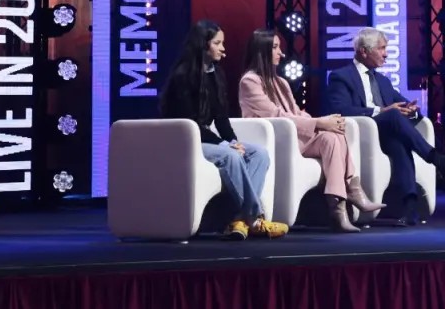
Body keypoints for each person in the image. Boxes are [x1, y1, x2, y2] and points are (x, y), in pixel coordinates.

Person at [238, 30, 385, 233]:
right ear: (261, 51)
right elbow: (275, 114)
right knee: (330, 133)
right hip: (278, 138)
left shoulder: (280, 82)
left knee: (334, 134)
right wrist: (318, 123)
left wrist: (324, 121)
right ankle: (351, 189)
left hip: (295, 135)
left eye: (280, 47)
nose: (281, 53)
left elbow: (296, 112)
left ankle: (338, 206)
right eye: (275, 48)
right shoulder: (250, 81)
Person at [324, 28, 445, 225]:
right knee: (392, 116)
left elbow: (405, 106)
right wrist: (380, 111)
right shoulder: (341, 76)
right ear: (363, 51)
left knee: (399, 143)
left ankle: (410, 209)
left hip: (386, 135)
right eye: (381, 48)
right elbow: (340, 109)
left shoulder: (382, 81)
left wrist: (412, 111)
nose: (386, 54)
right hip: (360, 135)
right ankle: (437, 159)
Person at [160, 21, 288, 240]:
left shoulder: (215, 74)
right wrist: (225, 145)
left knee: (259, 154)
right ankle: (254, 218)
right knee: (230, 156)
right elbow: (191, 124)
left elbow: (221, 118)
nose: (223, 48)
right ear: (203, 45)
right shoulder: (183, 76)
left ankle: (239, 221)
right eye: (217, 43)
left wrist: (233, 141)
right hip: (185, 142)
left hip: (204, 139)